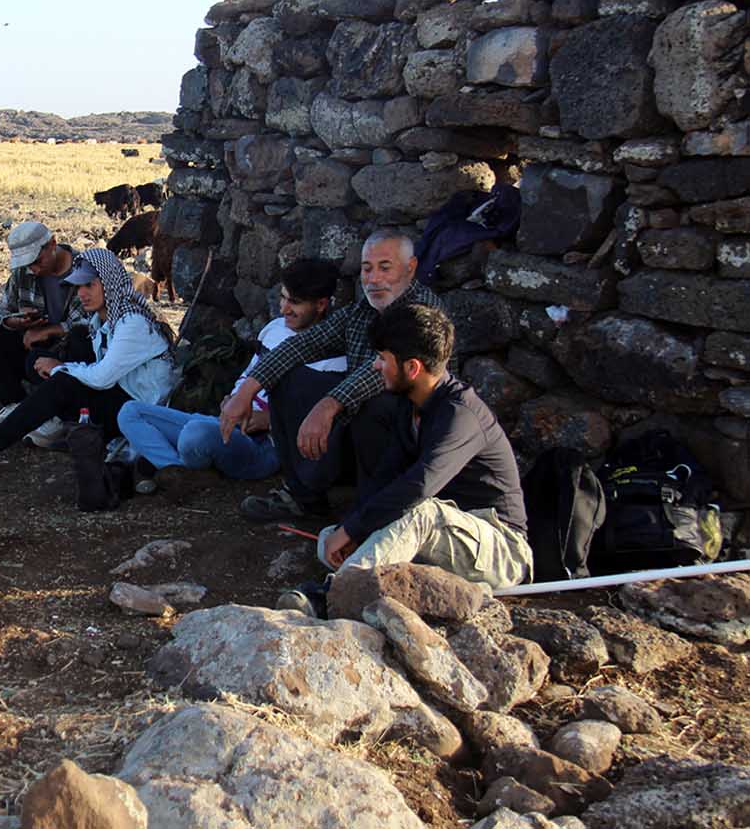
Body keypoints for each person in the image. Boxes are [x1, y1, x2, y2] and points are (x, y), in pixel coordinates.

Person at [220, 229, 445, 522]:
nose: (373, 278)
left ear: (410, 268)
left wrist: (329, 404)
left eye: (384, 267)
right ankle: (303, 497)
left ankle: (375, 510)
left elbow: (381, 373)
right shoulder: (361, 311)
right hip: (357, 419)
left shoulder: (422, 312)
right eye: (367, 268)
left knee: (378, 403)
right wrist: (247, 390)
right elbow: (304, 344)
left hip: (407, 425)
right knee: (287, 378)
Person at [313, 303, 532, 590]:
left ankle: (336, 595)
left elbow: (419, 486)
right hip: (440, 535)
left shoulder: (460, 415)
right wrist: (351, 528)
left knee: (419, 512)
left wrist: (356, 529)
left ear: (412, 367)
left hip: (501, 549)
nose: (376, 366)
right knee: (329, 537)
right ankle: (365, 580)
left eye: (382, 358)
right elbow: (385, 477)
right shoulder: (411, 406)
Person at [0, 248, 178, 474]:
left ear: (109, 284)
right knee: (58, 365)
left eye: (89, 286)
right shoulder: (102, 320)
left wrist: (61, 368)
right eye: (78, 286)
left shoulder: (132, 322)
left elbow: (102, 378)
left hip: (140, 411)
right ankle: (24, 430)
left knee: (63, 383)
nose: (81, 294)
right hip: (121, 399)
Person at [116, 259, 345, 492]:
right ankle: (179, 471)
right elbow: (250, 373)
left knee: (193, 435)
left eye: (294, 302)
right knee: (130, 412)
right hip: (228, 422)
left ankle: (166, 462)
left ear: (320, 305)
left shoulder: (334, 358)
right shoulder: (275, 329)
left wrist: (268, 420)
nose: (284, 308)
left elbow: (318, 419)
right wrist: (233, 398)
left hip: (266, 443)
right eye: (283, 298)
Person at [0, 220, 85, 440]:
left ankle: (54, 416)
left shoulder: (83, 269)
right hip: (29, 346)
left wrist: (50, 330)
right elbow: (0, 312)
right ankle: (15, 406)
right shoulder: (23, 273)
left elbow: (89, 322)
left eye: (37, 261)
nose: (34, 269)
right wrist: (14, 322)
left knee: (75, 341)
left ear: (52, 244)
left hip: (66, 356)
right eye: (29, 264)